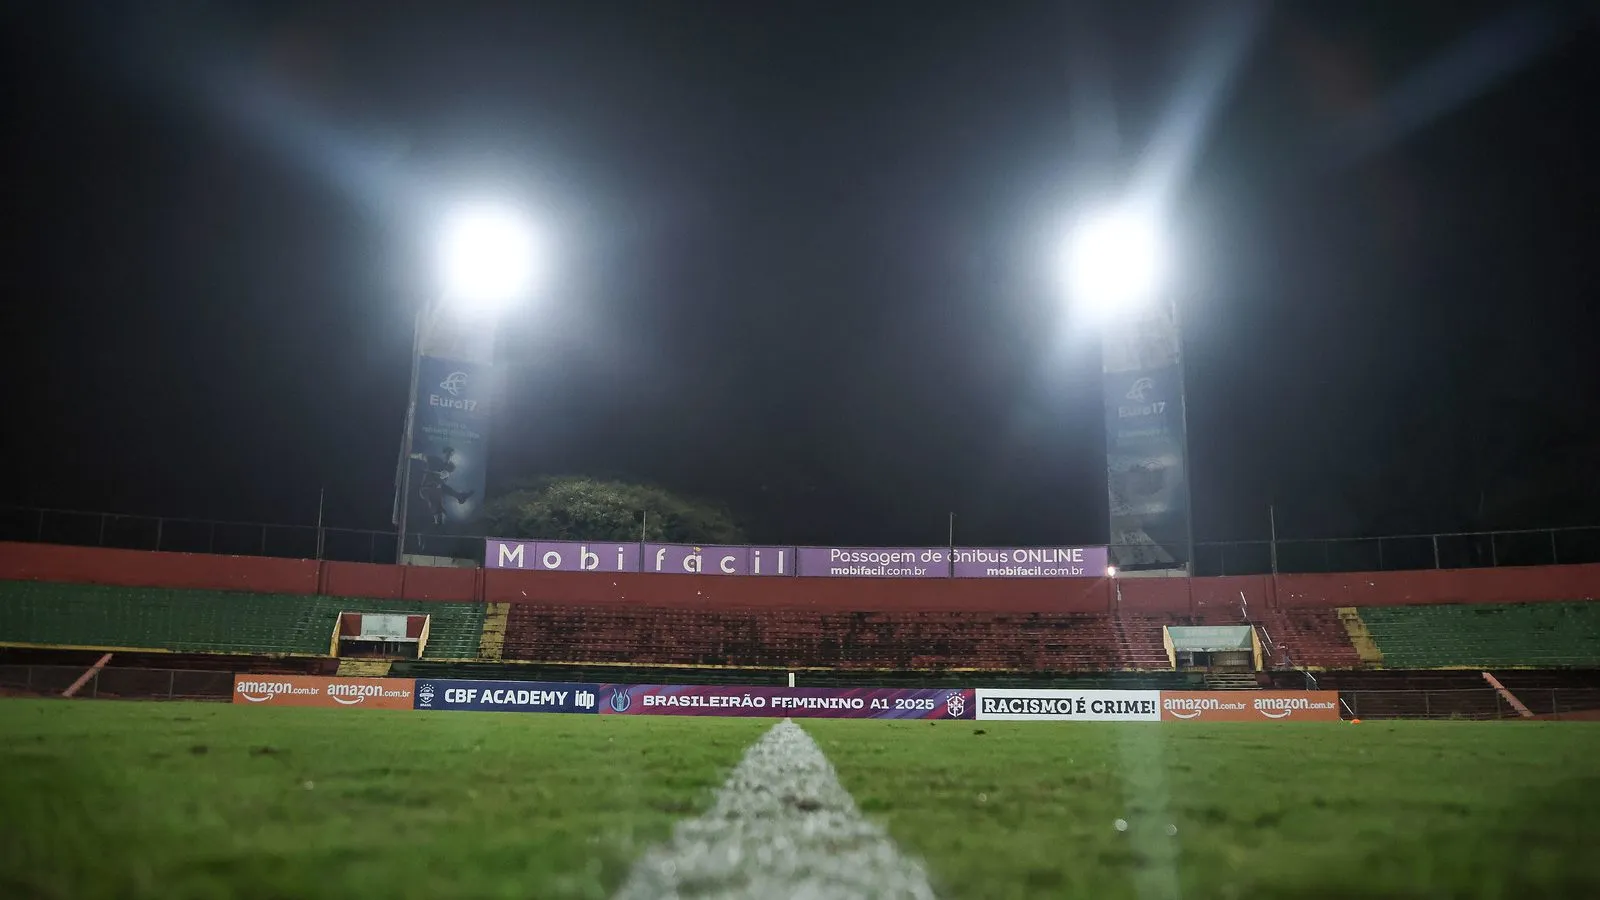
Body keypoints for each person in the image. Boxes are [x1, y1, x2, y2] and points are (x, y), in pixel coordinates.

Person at [409, 446, 475, 525]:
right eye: (448, 454)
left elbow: (443, 477)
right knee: (437, 490)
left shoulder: (449, 468)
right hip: (426, 489)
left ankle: (459, 497)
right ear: (444, 454)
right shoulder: (435, 460)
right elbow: (421, 456)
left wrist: (444, 473)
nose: (449, 456)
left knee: (440, 487)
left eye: (450, 455)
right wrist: (410, 455)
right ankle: (438, 514)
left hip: (435, 488)